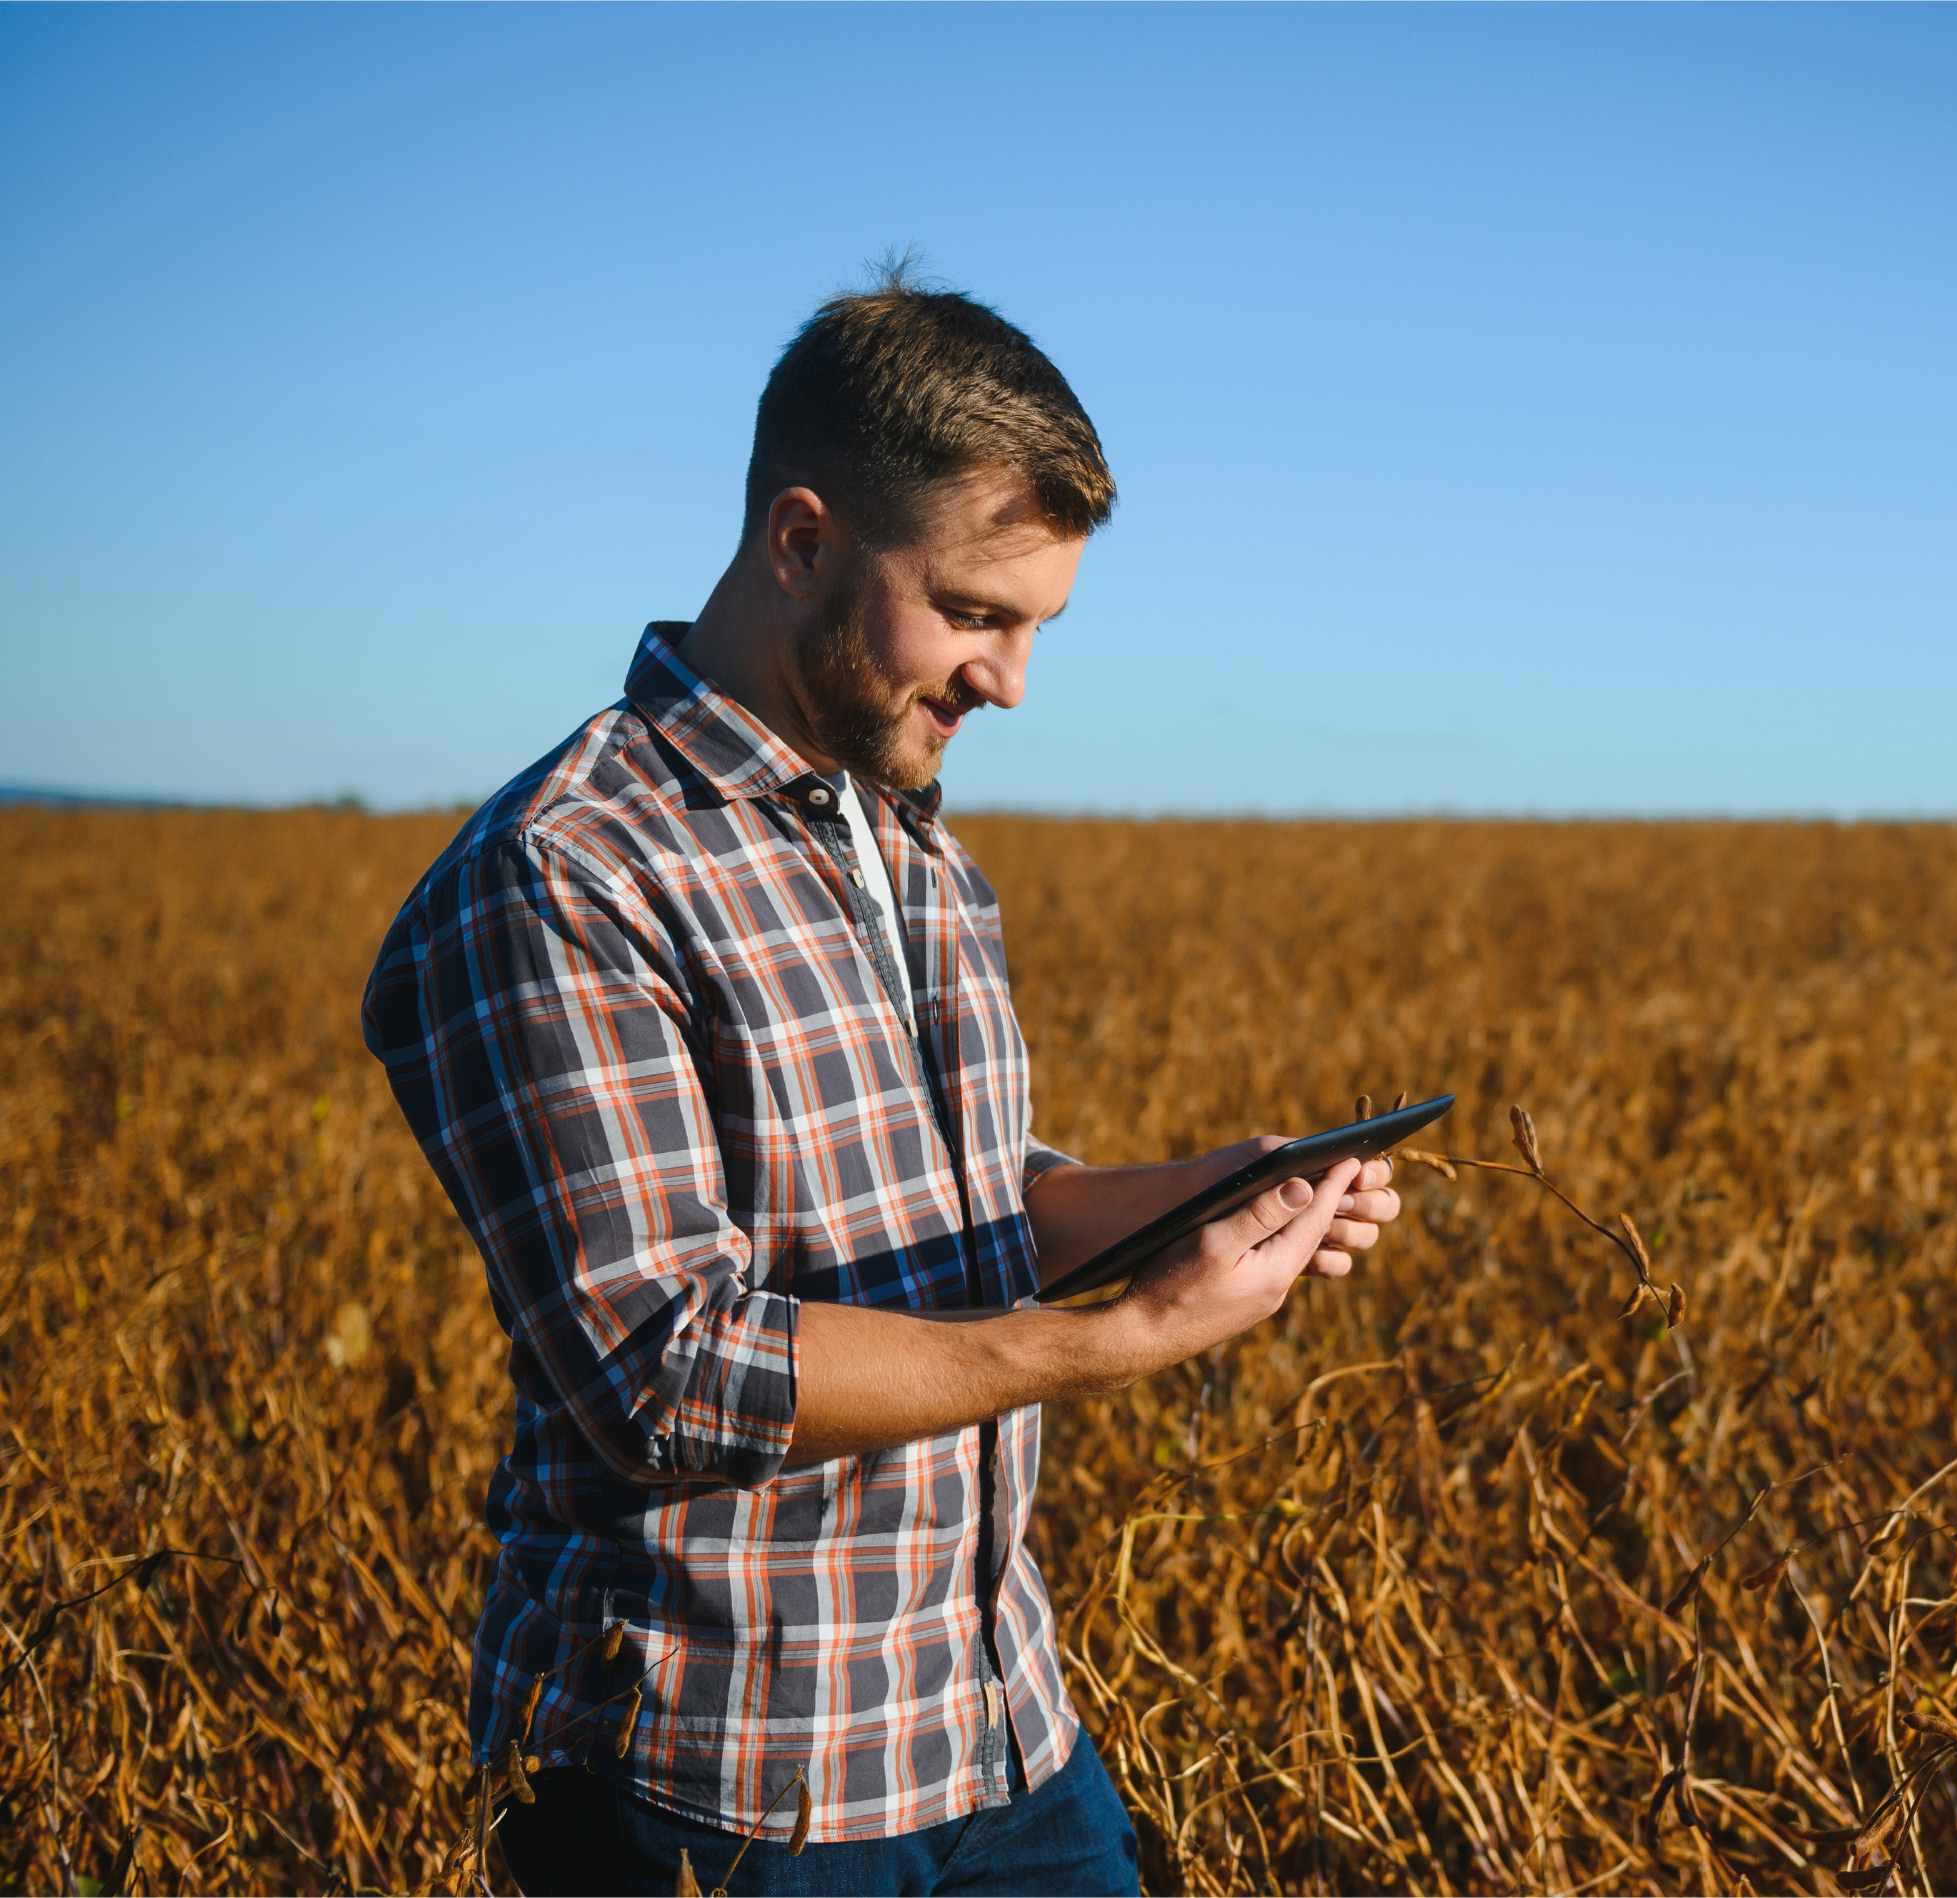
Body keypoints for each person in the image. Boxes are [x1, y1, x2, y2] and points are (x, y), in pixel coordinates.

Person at [357, 259, 1402, 1896]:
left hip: (999, 1733)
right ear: (801, 541)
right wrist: (1113, 1340)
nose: (1011, 680)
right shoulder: (566, 874)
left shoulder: (914, 845)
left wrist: (1204, 1193)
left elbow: (967, 1204)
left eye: (1038, 624)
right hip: (716, 1786)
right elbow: (669, 1369)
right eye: (976, 613)